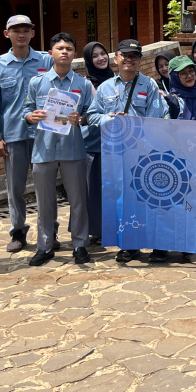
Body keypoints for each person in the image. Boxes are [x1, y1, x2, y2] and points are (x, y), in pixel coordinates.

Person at [89, 39, 166, 263]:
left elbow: (156, 117)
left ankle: (157, 245)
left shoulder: (150, 85)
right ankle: (129, 244)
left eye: (135, 56)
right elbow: (92, 116)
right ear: (116, 58)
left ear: (140, 60)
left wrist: (134, 124)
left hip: (145, 153)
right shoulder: (104, 88)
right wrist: (108, 118)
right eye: (125, 55)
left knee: (151, 200)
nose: (129, 59)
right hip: (117, 155)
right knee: (124, 201)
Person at [23, 33, 95, 267]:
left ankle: (79, 244)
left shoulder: (83, 84)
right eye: (60, 48)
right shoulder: (37, 83)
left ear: (75, 54)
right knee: (45, 201)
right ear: (51, 52)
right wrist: (31, 117)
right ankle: (44, 246)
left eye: (69, 49)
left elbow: (90, 116)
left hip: (73, 150)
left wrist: (80, 119)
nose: (64, 52)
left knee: (78, 201)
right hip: (43, 150)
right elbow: (26, 112)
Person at [0, 15, 54, 253]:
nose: (21, 34)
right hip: (12, 134)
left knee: (45, 185)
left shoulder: (46, 59)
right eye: (16, 30)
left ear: (33, 33)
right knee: (15, 187)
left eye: (26, 30)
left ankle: (49, 230)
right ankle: (18, 230)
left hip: (44, 134)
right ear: (7, 34)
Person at [160, 55, 196, 265]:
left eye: (191, 71)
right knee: (184, 206)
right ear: (174, 76)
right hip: (180, 161)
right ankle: (187, 248)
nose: (189, 75)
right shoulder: (172, 101)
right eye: (183, 73)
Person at [81, 41, 114, 247]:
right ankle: (96, 230)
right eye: (95, 56)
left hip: (115, 145)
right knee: (93, 190)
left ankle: (111, 227)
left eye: (103, 54)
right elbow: (83, 114)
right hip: (93, 143)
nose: (101, 58)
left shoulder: (115, 81)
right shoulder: (86, 84)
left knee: (111, 190)